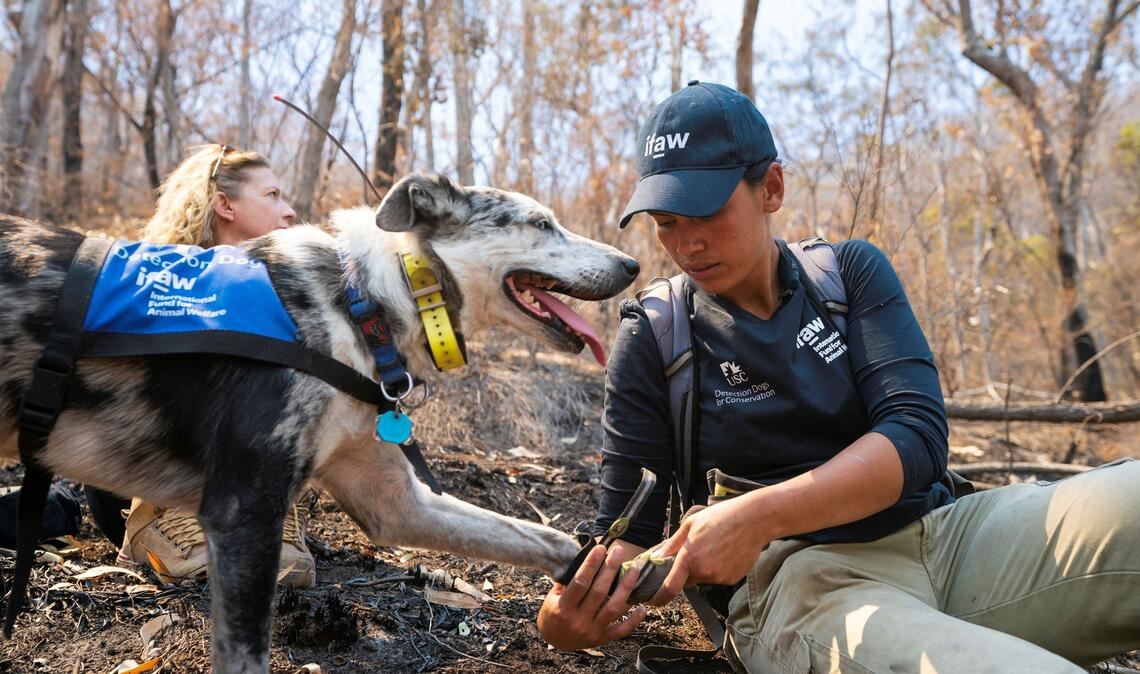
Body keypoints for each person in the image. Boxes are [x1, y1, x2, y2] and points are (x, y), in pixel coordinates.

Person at [536, 81, 1140, 673]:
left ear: (770, 187)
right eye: (665, 221)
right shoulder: (656, 334)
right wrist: (567, 617)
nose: (686, 242)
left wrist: (758, 514)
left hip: (948, 538)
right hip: (803, 588)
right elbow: (629, 529)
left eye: (707, 210)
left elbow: (916, 436)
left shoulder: (849, 275)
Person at [84, 143, 315, 588]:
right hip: (139, 485)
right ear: (225, 204)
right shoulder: (155, 279)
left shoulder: (285, 292)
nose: (289, 212)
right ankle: (153, 526)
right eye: (272, 196)